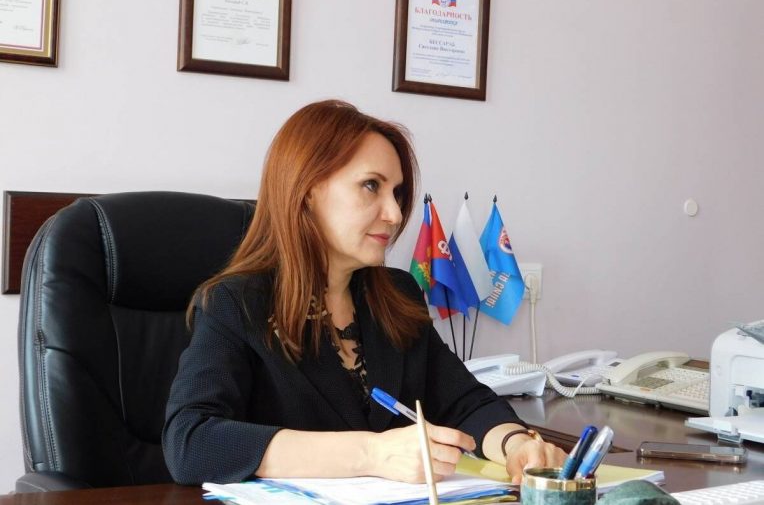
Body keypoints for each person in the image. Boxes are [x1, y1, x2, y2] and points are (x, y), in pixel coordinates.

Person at [162, 100, 565, 486]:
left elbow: (465, 402)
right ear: (307, 191)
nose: (394, 214)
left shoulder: (397, 295)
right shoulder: (236, 303)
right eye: (371, 186)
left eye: (397, 193)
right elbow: (191, 441)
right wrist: (371, 453)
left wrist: (516, 444)